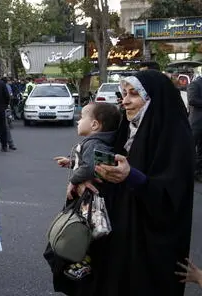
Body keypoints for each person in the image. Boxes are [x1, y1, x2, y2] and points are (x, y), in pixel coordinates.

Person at [64, 70, 194, 296]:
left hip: (149, 242)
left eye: (133, 94)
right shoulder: (127, 128)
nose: (125, 101)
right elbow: (101, 162)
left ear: (154, 98)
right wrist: (83, 178)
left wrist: (132, 176)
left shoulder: (175, 136)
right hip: (118, 233)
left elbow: (172, 196)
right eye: (123, 94)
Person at [54, 102, 121, 281]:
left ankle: (83, 264)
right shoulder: (99, 142)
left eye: (82, 117)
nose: (78, 120)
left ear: (95, 125)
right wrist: (71, 162)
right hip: (93, 197)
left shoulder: (94, 142)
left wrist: (73, 180)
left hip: (90, 200)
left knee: (85, 230)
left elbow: (90, 166)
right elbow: (89, 161)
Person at [187, 75, 202, 181]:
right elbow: (192, 100)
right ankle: (184, 171)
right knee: (190, 148)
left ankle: (198, 172)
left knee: (201, 150)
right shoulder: (195, 84)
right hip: (196, 122)